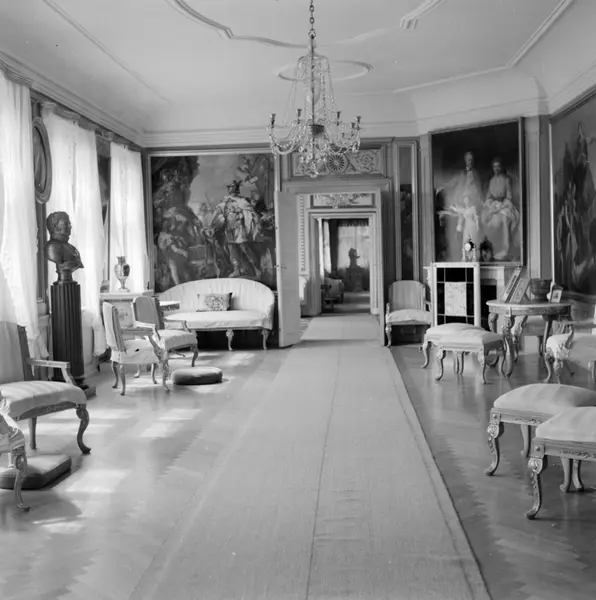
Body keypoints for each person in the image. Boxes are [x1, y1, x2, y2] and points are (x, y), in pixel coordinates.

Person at [209, 181, 262, 278]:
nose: (233, 189)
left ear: (237, 189)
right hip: (229, 229)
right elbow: (217, 212)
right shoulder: (225, 202)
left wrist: (241, 211)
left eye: (234, 187)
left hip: (239, 228)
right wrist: (211, 223)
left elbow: (251, 212)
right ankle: (236, 270)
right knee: (232, 249)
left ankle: (256, 269)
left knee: (244, 248)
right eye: (231, 187)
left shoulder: (242, 201)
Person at [436, 151, 484, 258]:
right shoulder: (461, 174)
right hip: (462, 203)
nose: (470, 162)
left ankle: (472, 254)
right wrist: (441, 187)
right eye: (469, 160)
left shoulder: (476, 174)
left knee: (471, 230)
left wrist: (481, 203)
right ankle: (459, 252)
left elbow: (479, 190)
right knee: (458, 224)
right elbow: (451, 183)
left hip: (473, 204)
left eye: (472, 160)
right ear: (465, 161)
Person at [481, 157, 520, 260]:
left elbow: (509, 197)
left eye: (498, 166)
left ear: (501, 167)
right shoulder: (492, 181)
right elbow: (488, 197)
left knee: (504, 220)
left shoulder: (506, 180)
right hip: (494, 205)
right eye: (494, 167)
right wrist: (491, 206)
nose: (496, 169)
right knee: (486, 220)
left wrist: (501, 206)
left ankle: (505, 249)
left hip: (504, 205)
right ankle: (492, 249)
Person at [45, 211, 84, 280]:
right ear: (56, 227)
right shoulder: (52, 248)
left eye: (69, 223)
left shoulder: (71, 247)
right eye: (66, 223)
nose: (70, 226)